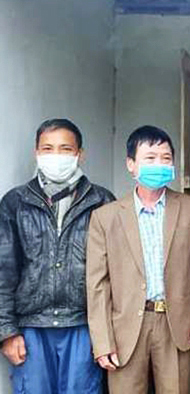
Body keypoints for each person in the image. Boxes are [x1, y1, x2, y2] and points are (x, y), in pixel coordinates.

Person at [86, 125, 190, 394]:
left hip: (176, 323)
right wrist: (103, 342)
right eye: (150, 158)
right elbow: (97, 286)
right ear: (131, 164)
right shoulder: (105, 217)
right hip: (126, 327)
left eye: (166, 158)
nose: (159, 164)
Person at [0, 119, 115, 394]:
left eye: (65, 149)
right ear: (36, 153)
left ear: (80, 154)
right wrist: (7, 332)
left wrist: (109, 334)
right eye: (47, 148)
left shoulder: (102, 202)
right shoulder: (16, 202)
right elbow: (3, 271)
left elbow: (116, 273)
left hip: (84, 326)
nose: (56, 156)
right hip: (31, 327)